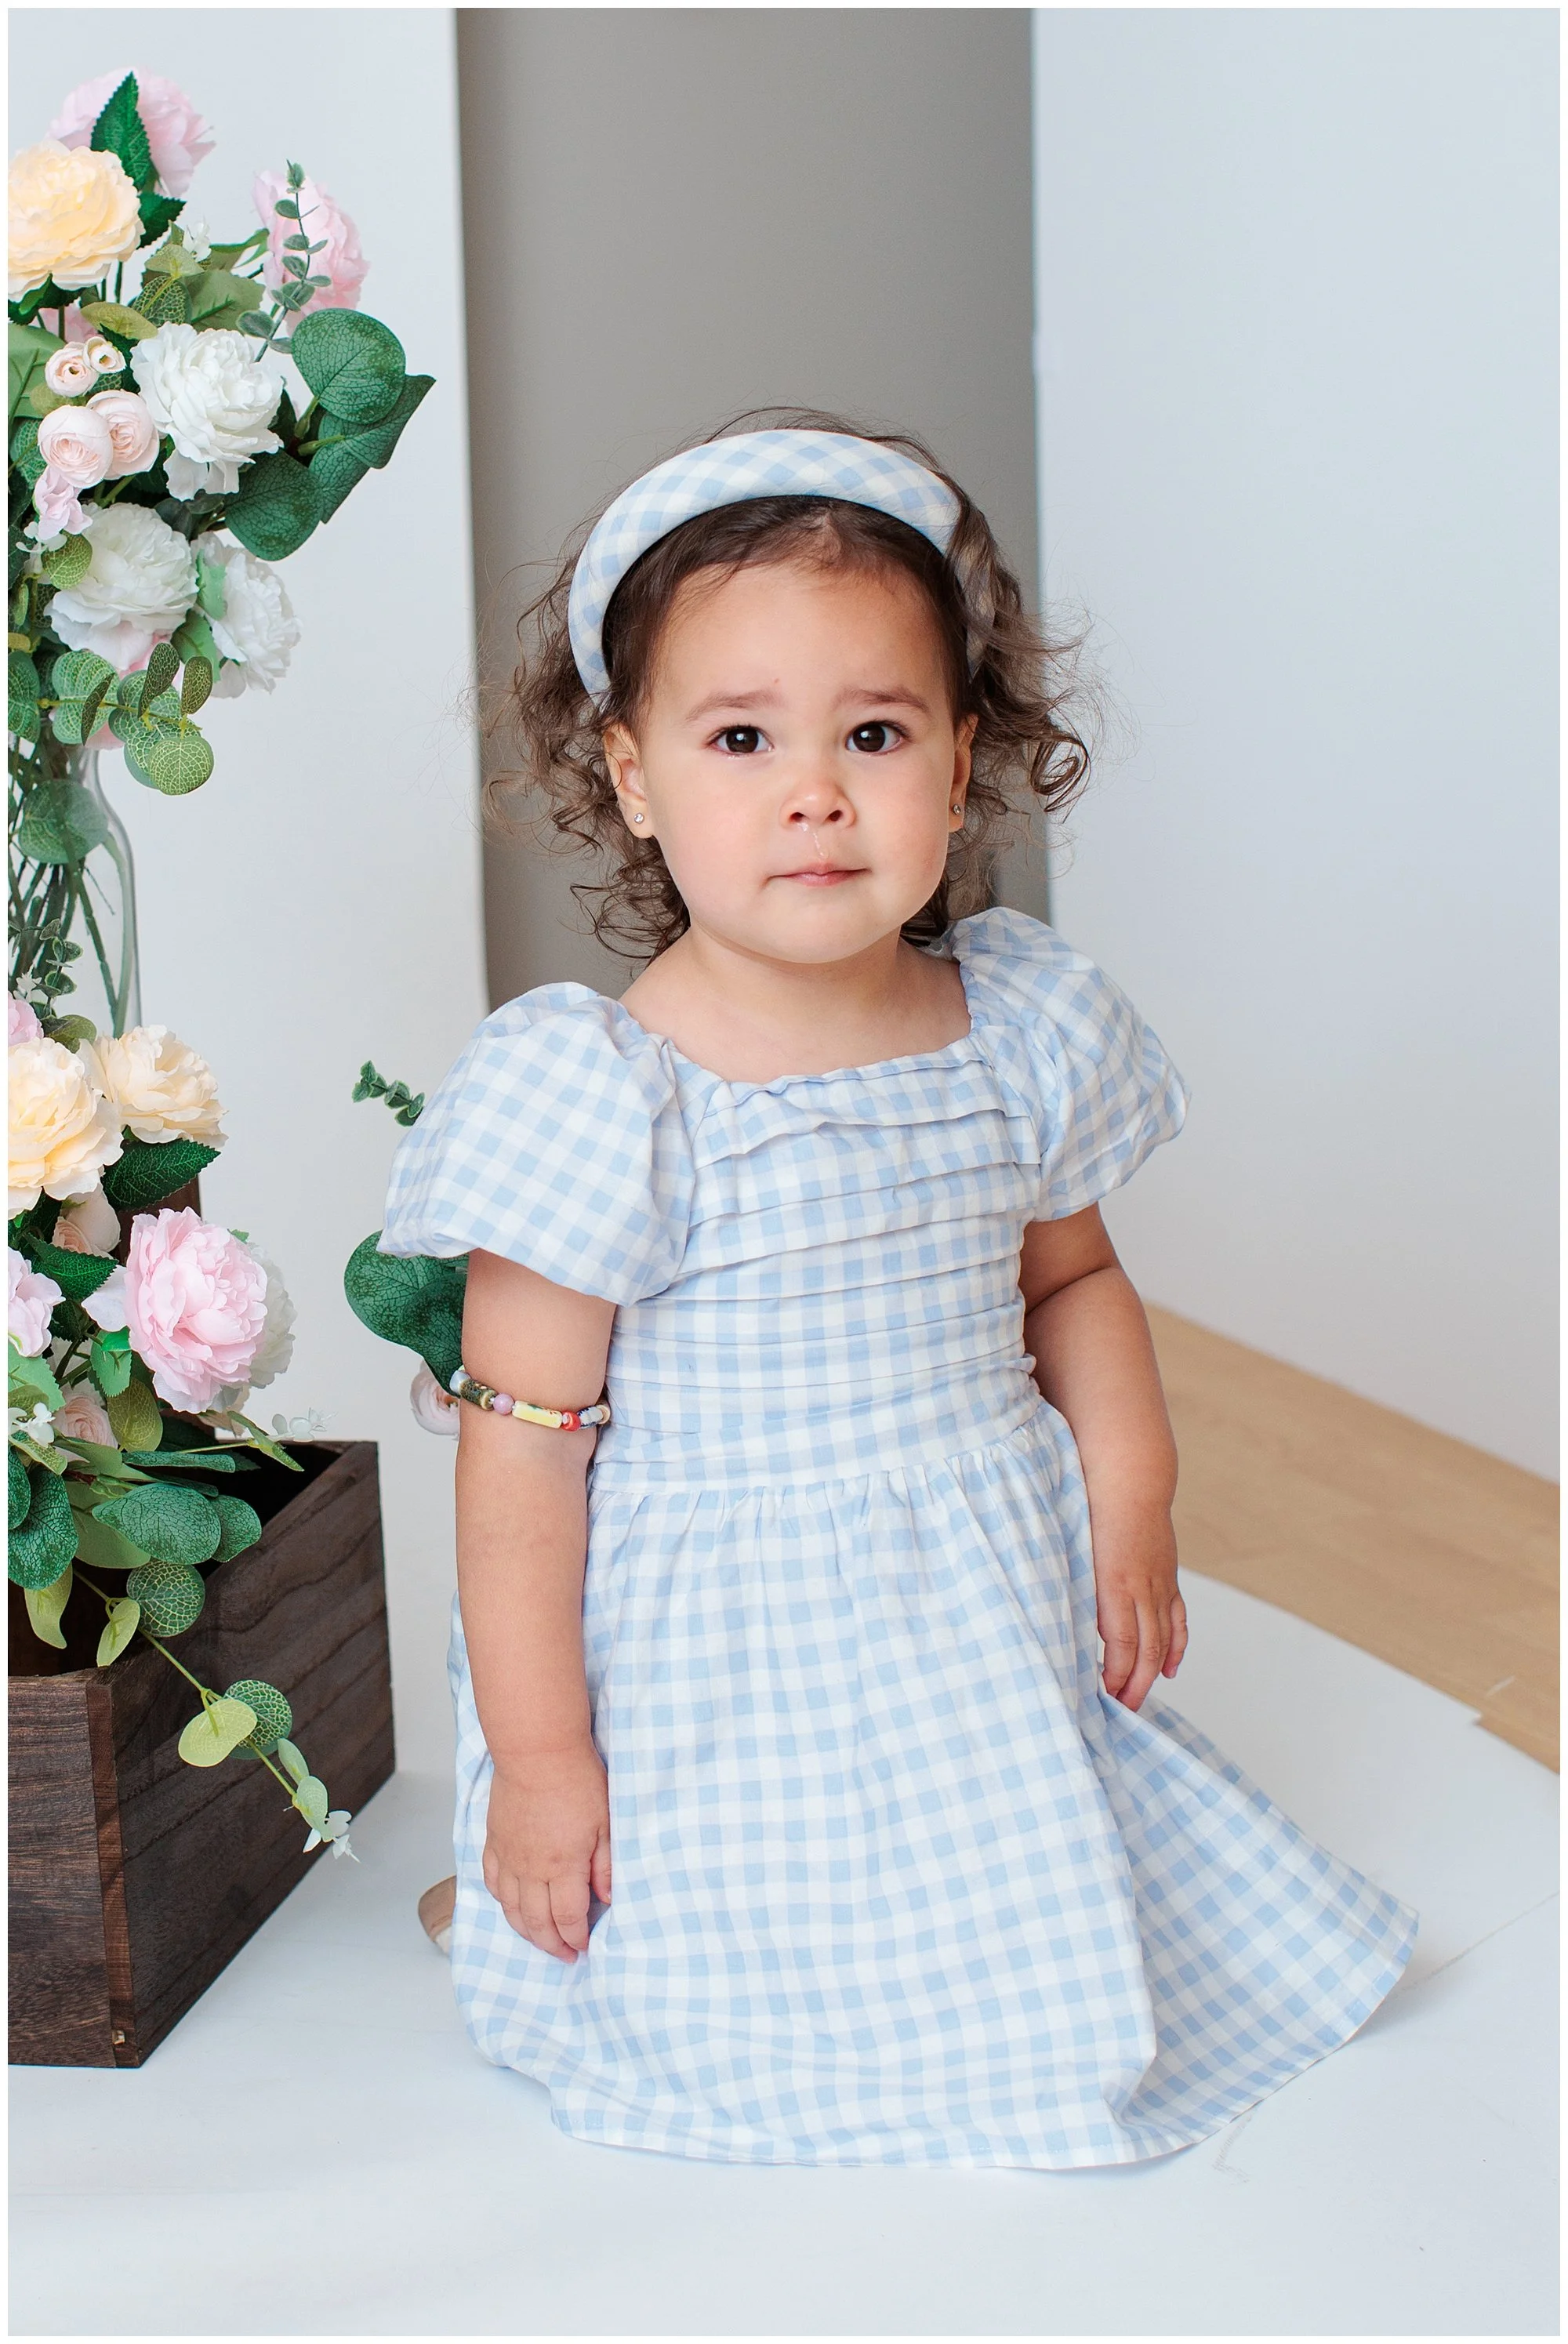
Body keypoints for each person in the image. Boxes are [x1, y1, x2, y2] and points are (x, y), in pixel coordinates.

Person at [381, 415, 1417, 2168]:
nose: (815, 789)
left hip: (966, 1569)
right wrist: (544, 1759)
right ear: (631, 776)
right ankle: (575, 1917)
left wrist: (1133, 1494)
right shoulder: (602, 1093)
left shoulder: (1009, 1029)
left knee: (986, 1836)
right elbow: (523, 1453)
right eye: (740, 737)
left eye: (874, 732)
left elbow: (1073, 1278)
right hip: (717, 1620)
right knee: (725, 1864)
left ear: (961, 767)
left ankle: (990, 2001)